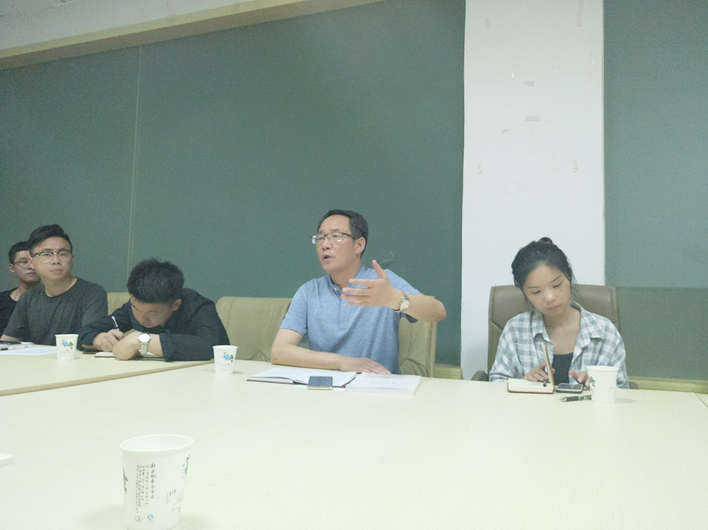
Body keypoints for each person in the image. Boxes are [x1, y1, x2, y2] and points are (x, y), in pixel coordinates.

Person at [271, 209, 446, 374]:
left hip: (377, 387)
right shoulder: (309, 292)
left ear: (359, 245)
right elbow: (279, 352)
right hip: (326, 388)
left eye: (335, 236)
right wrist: (342, 362)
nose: (325, 244)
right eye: (321, 238)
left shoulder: (382, 283)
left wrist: (393, 297)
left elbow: (438, 311)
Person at [489, 237, 629, 388]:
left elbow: (622, 389)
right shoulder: (515, 330)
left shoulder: (604, 331)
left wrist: (600, 384)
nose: (549, 298)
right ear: (525, 293)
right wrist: (523, 383)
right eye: (536, 292)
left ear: (568, 276)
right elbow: (496, 384)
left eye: (556, 285)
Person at [79, 258, 229, 361]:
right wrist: (98, 339)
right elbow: (86, 332)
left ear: (175, 305)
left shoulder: (199, 307)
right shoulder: (133, 306)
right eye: (136, 308)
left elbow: (208, 347)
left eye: (152, 313)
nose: (141, 318)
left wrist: (142, 341)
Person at [1, 225, 107, 345]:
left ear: (72, 259)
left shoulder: (92, 293)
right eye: (47, 254)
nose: (56, 260)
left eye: (63, 254)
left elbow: (90, 340)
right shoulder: (28, 298)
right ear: (32, 262)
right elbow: (7, 341)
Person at [0, 241, 40, 335]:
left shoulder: (54, 300)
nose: (31, 266)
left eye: (34, 261)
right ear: (12, 268)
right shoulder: (2, 300)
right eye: (24, 262)